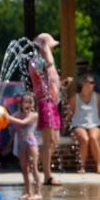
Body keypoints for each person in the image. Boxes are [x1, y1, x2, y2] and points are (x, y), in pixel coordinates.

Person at [30, 33, 63, 187]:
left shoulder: (43, 61)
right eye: (51, 46)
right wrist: (45, 47)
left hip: (52, 103)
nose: (52, 50)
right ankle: (46, 175)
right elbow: (49, 63)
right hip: (45, 103)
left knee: (53, 140)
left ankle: (45, 172)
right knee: (47, 141)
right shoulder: (37, 61)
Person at [8, 93, 42, 200]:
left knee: (34, 168)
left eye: (30, 102)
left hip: (31, 143)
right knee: (24, 168)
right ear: (21, 104)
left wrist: (7, 116)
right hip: (21, 144)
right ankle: (28, 191)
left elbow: (23, 123)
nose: (27, 104)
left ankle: (38, 193)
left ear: (33, 105)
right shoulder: (18, 114)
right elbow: (7, 121)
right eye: (25, 102)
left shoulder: (34, 115)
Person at [68, 74, 100, 173]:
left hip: (94, 123)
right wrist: (65, 128)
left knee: (93, 137)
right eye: (89, 82)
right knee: (84, 139)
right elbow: (70, 114)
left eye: (93, 83)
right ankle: (81, 166)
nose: (91, 85)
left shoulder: (97, 97)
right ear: (82, 83)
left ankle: (99, 165)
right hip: (78, 123)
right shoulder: (75, 97)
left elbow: (99, 112)